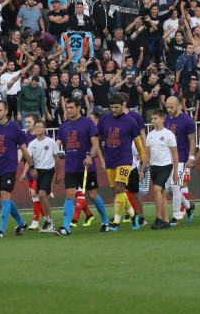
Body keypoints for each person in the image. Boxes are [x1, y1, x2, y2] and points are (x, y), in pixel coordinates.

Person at [55, 98, 108, 235]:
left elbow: (95, 143)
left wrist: (90, 156)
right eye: (67, 108)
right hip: (70, 167)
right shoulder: (63, 127)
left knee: (92, 194)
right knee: (69, 195)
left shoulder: (88, 123)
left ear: (79, 108)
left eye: (71, 107)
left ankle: (105, 221)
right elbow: (56, 146)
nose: (68, 110)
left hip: (86, 167)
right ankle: (65, 228)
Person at [97, 93, 147, 230]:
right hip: (110, 159)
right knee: (116, 191)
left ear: (122, 106)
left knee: (120, 187)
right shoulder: (104, 119)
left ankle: (116, 222)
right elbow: (96, 137)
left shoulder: (130, 121)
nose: (113, 110)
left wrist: (143, 157)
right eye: (111, 107)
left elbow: (137, 141)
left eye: (116, 107)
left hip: (125, 160)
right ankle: (133, 214)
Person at [0, 101, 33, 238]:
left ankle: (1, 230)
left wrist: (31, 166)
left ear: (6, 111)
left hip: (9, 166)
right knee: (3, 197)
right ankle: (21, 223)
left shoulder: (14, 128)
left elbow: (24, 149)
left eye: (0, 110)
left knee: (5, 195)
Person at [140, 109, 178, 229]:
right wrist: (142, 170)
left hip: (166, 166)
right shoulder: (150, 135)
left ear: (162, 119)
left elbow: (175, 154)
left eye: (155, 118)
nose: (153, 121)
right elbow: (147, 154)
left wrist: (175, 172)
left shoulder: (168, 134)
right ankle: (166, 221)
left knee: (156, 189)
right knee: (162, 193)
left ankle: (158, 219)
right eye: (152, 119)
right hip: (154, 166)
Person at [163, 96, 197, 223]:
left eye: (171, 107)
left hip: (181, 157)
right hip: (167, 158)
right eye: (167, 107)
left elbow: (192, 140)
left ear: (179, 106)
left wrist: (191, 157)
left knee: (175, 186)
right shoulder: (166, 119)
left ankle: (176, 216)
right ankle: (188, 206)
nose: (169, 110)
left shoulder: (187, 120)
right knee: (168, 189)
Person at [23, 119, 59, 233]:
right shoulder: (32, 144)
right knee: (44, 197)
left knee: (41, 195)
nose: (38, 129)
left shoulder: (50, 142)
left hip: (48, 171)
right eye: (36, 127)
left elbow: (57, 158)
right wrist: (28, 170)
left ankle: (49, 222)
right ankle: (48, 221)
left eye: (40, 127)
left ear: (44, 129)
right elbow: (29, 158)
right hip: (38, 172)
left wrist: (58, 174)